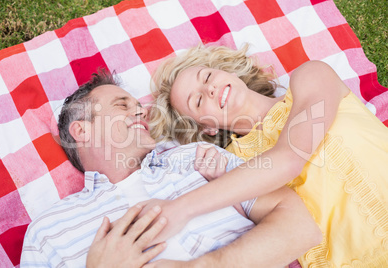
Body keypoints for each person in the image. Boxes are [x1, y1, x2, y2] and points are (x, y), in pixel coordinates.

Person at [20, 70, 321, 268]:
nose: (143, 110)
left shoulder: (199, 160)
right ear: (81, 131)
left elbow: (302, 226)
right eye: (123, 105)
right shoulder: (48, 232)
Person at [149, 44, 388, 267]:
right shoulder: (231, 168)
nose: (209, 89)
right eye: (199, 100)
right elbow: (274, 227)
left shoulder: (311, 77)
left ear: (229, 74)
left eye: (208, 77)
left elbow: (288, 159)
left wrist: (181, 209)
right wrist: (226, 186)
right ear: (208, 128)